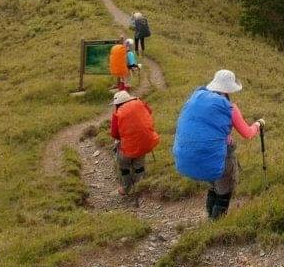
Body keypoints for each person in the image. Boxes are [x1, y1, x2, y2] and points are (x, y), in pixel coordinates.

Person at [173, 69, 264, 219]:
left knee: (214, 187)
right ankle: (215, 225)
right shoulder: (229, 108)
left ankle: (209, 216)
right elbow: (247, 133)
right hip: (218, 156)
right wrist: (258, 124)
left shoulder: (197, 98)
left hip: (197, 155)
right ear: (229, 89)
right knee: (224, 191)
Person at [110, 90, 160, 196]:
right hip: (145, 142)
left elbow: (114, 134)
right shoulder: (140, 103)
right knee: (139, 165)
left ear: (117, 104)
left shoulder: (117, 114)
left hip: (128, 148)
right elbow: (149, 112)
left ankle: (126, 188)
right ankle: (140, 186)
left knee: (123, 165)